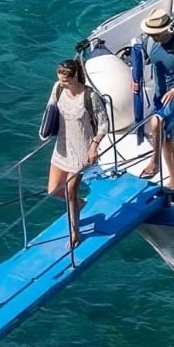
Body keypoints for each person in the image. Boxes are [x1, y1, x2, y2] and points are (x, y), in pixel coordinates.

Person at [44, 60, 111, 249]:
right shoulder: (58, 89)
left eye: (66, 80)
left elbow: (103, 123)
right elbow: (50, 111)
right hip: (62, 146)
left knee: (70, 191)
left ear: (74, 77)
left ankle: (75, 232)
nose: (62, 83)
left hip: (82, 147)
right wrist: (45, 131)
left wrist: (94, 146)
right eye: (60, 79)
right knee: (53, 190)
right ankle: (80, 203)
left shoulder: (89, 96)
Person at [136, 8, 174, 189]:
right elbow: (143, 61)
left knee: (156, 124)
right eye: (152, 34)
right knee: (167, 137)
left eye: (157, 34)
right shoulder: (150, 43)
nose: (154, 37)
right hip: (160, 97)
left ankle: (156, 162)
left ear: (166, 30)